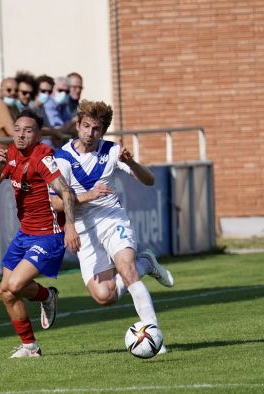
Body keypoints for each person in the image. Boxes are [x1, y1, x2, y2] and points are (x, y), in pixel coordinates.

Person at [50, 100, 174, 355]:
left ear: (103, 131)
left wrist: (134, 163)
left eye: (96, 128)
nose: (90, 133)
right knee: (104, 296)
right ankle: (147, 263)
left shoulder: (113, 151)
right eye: (85, 126)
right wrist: (73, 223)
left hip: (112, 218)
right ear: (77, 125)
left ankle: (154, 336)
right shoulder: (61, 158)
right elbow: (55, 202)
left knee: (126, 270)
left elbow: (148, 181)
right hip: (84, 227)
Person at [0, 109, 80, 358]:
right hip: (24, 234)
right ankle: (30, 347)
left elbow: (66, 193)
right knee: (5, 291)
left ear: (38, 135)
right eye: (17, 129)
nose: (21, 135)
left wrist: (70, 225)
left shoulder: (43, 157)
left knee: (15, 284)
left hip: (49, 235)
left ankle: (47, 295)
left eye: (28, 130)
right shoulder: (10, 155)